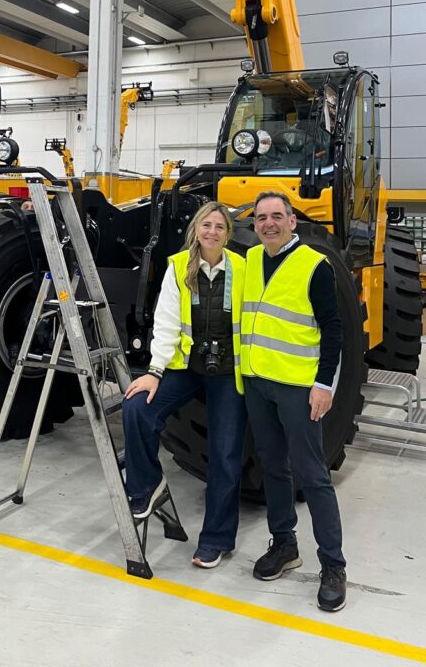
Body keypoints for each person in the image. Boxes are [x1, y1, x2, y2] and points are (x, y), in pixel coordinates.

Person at [122, 201, 247, 569]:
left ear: (228, 234)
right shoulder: (178, 267)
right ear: (196, 229)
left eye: (219, 227)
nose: (212, 232)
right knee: (136, 407)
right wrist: (154, 371)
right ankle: (146, 486)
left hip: (228, 371)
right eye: (206, 225)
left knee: (224, 455)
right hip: (187, 367)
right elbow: (166, 323)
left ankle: (217, 540)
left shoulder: (243, 268)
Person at [240, 190, 347, 612]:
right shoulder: (250, 259)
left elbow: (333, 330)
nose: (268, 223)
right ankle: (284, 544)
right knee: (272, 467)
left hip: (298, 389)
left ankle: (333, 565)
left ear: (291, 221)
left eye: (276, 216)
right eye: (261, 217)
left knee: (312, 475)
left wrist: (324, 385)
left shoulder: (314, 265)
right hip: (258, 383)